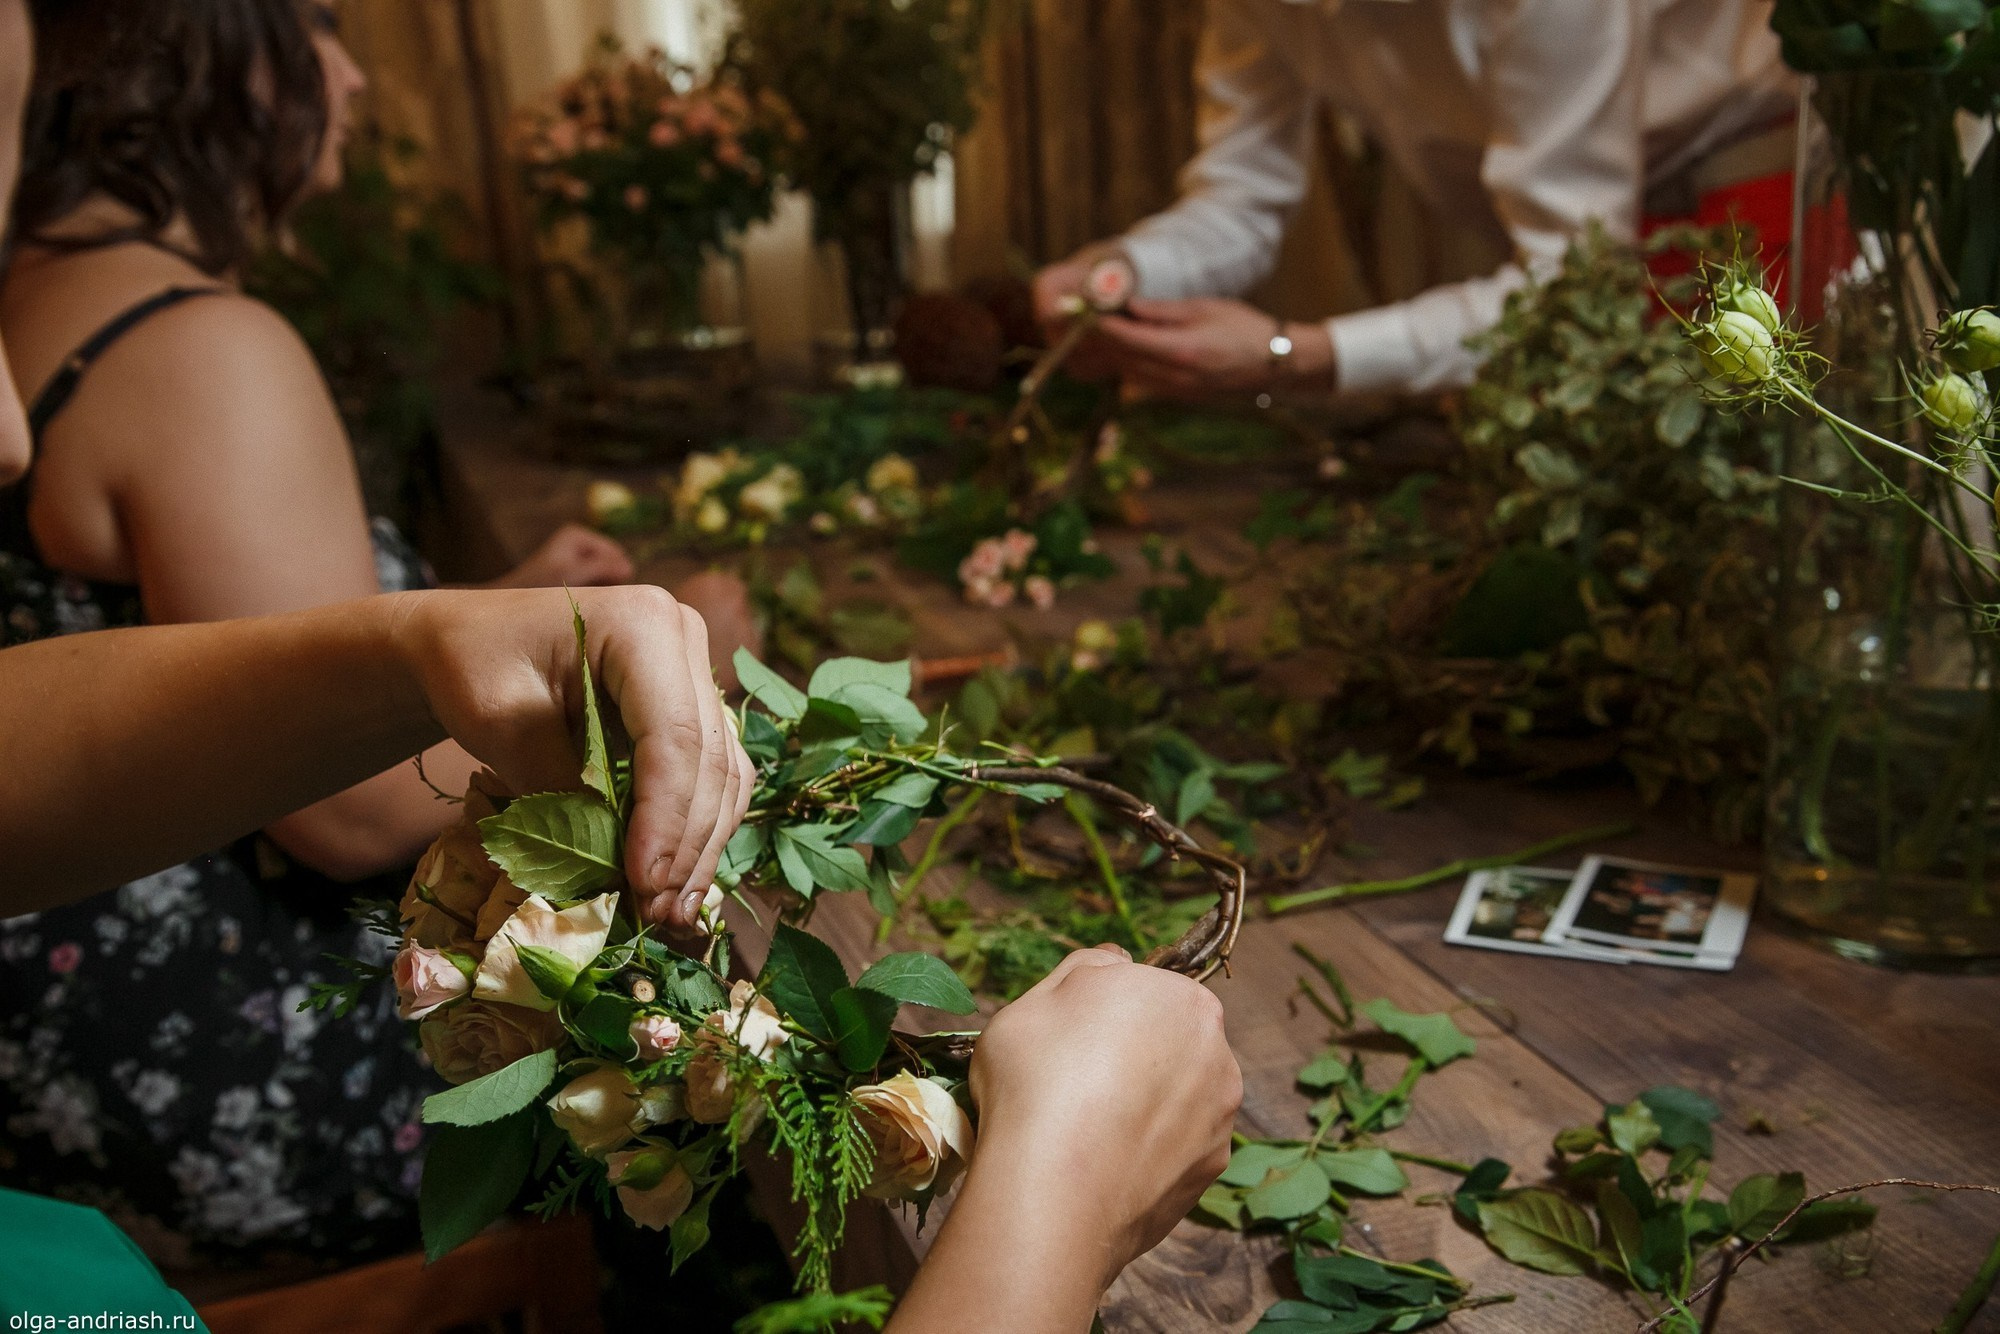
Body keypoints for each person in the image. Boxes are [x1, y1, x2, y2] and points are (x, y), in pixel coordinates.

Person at [1035, 0, 1796, 401]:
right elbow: (1241, 196)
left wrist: (1299, 356)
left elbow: (1571, 275)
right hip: (1583, 247)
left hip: (1751, 184)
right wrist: (1126, 272)